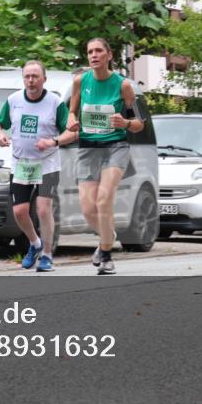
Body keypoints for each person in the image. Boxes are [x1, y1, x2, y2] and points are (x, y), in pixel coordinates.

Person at [67, 38, 144, 274]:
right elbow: (71, 110)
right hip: (88, 147)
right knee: (88, 209)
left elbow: (139, 123)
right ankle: (107, 237)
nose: (94, 55)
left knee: (103, 200)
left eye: (99, 51)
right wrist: (71, 119)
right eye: (90, 51)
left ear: (109, 55)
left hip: (115, 147)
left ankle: (107, 256)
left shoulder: (123, 86)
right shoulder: (81, 81)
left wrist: (126, 122)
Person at [0, 60, 76, 272]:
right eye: (27, 77)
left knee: (43, 209)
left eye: (35, 76)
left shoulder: (55, 103)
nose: (31, 81)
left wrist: (52, 141)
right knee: (20, 211)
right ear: (23, 79)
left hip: (47, 163)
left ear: (44, 79)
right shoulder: (13, 100)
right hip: (21, 163)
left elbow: (72, 132)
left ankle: (47, 254)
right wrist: (1, 135)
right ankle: (35, 244)